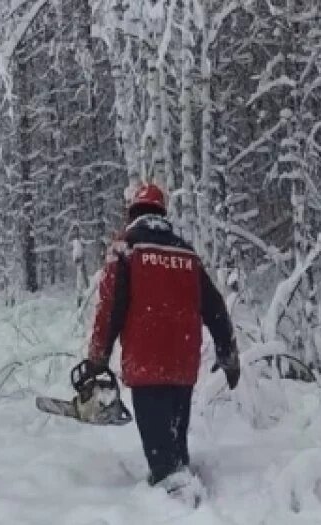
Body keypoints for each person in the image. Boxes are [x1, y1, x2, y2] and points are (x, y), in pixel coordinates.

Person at [82, 183, 240, 487]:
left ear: (133, 214)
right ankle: (185, 494)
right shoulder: (186, 253)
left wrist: (97, 357)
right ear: (162, 212)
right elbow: (215, 308)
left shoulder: (126, 249)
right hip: (183, 363)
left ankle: (178, 503)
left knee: (162, 459)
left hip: (146, 365)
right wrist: (227, 352)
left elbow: (110, 308)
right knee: (176, 447)